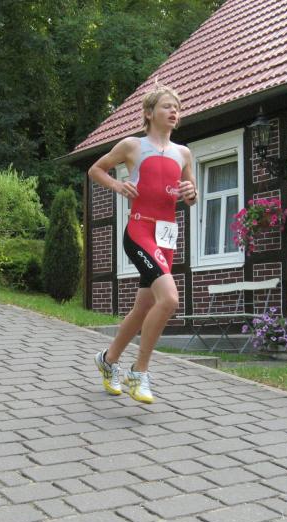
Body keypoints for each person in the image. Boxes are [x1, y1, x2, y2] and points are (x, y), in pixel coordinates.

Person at [89, 85, 197, 404]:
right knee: (170, 299)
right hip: (139, 231)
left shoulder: (183, 153)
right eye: (167, 106)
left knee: (144, 307)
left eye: (177, 107)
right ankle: (139, 372)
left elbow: (191, 195)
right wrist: (118, 185)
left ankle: (108, 360)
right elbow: (96, 169)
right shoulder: (132, 146)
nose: (174, 111)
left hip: (166, 237)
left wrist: (191, 193)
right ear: (149, 113)